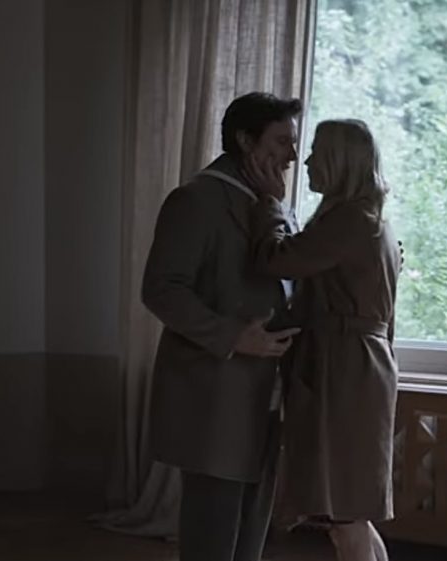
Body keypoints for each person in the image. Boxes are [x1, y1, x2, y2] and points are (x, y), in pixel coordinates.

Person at [141, 92, 303, 561]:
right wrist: (234, 337)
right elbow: (160, 290)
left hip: (267, 394)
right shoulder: (194, 200)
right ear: (245, 141)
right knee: (213, 535)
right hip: (213, 398)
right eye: (281, 142)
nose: (292, 156)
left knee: (252, 534)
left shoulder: (274, 202)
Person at [245, 119, 401, 561]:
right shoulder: (371, 220)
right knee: (350, 512)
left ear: (338, 161)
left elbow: (277, 260)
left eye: (316, 151)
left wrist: (271, 204)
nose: (306, 161)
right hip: (360, 368)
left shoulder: (349, 221)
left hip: (345, 372)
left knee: (343, 515)